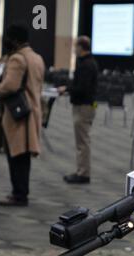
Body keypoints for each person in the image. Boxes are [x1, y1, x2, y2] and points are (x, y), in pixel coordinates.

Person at [0, 24, 45, 206]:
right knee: (23, 157)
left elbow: (10, 85)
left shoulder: (17, 59)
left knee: (16, 156)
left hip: (18, 115)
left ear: (14, 39)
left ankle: (19, 195)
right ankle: (21, 193)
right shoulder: (37, 57)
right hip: (32, 112)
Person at [58, 36, 98, 184]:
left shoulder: (86, 65)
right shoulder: (87, 63)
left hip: (84, 106)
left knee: (82, 141)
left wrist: (67, 89)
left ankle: (83, 173)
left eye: (76, 46)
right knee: (82, 140)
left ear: (81, 47)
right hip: (85, 105)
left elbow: (82, 88)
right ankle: (81, 171)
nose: (74, 49)